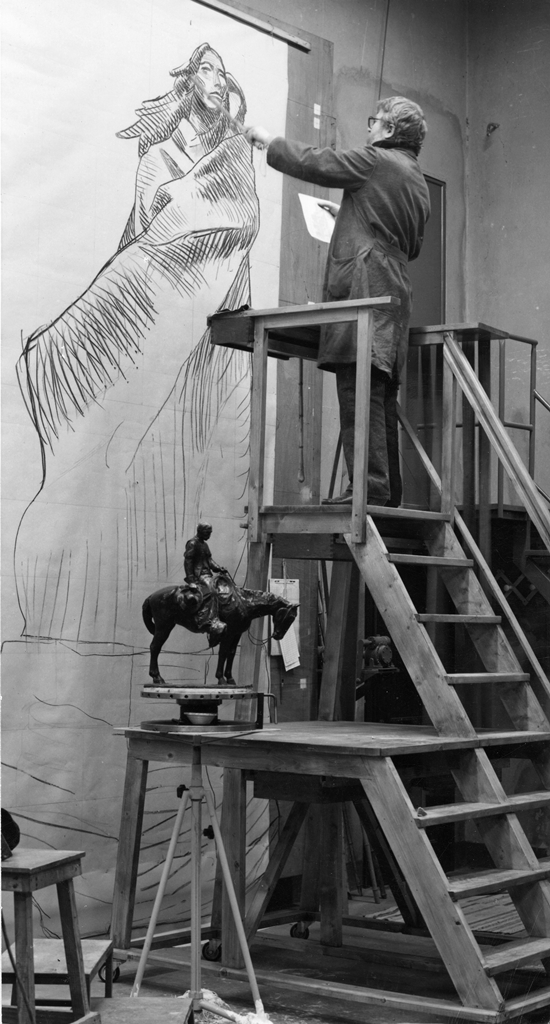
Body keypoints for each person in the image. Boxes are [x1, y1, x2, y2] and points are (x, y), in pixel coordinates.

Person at [246, 96, 430, 506]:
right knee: (380, 393)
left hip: (365, 286)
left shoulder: (375, 160)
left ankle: (368, 489)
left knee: (358, 388)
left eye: (374, 121)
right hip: (394, 292)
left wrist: (270, 142)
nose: (369, 128)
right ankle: (384, 492)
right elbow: (410, 244)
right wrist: (350, 215)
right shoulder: (416, 179)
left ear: (389, 130)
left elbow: (319, 162)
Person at [184, 522, 228, 643]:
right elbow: (188, 562)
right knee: (212, 591)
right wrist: (191, 581)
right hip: (199, 575)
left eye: (210, 533)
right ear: (200, 531)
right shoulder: (192, 543)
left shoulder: (205, 544)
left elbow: (209, 560)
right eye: (207, 532)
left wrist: (218, 568)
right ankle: (209, 620)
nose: (209, 535)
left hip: (207, 574)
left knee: (224, 587)